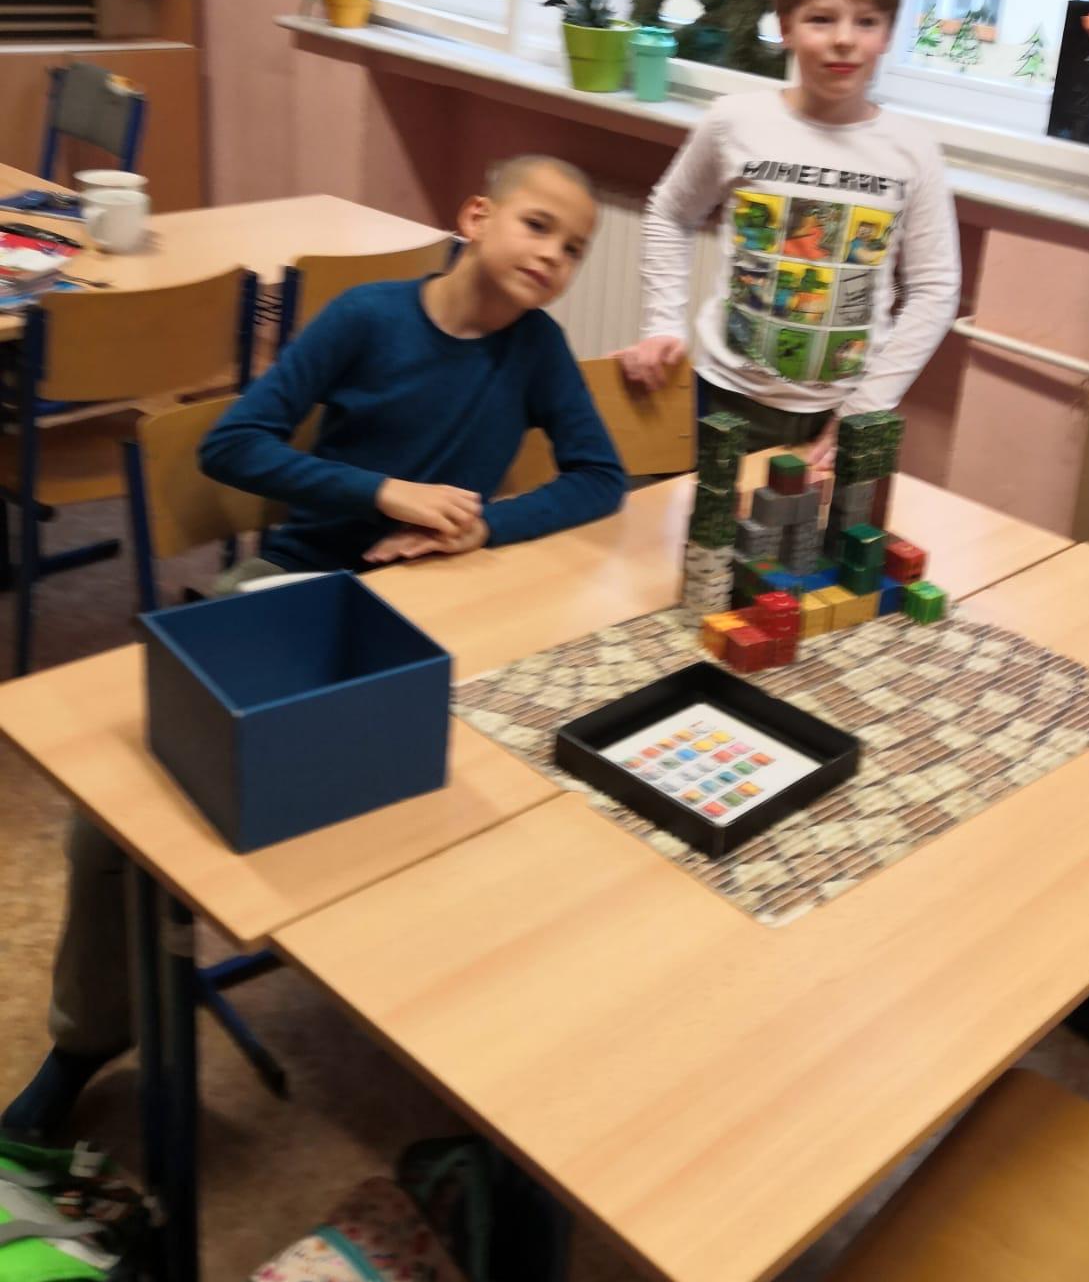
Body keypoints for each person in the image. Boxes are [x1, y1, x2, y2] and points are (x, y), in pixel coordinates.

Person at [2, 155, 625, 1138]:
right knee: (112, 818)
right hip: (297, 584)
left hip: (434, 602)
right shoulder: (368, 317)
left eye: (575, 248)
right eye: (538, 224)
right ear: (476, 216)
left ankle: (461, 1022)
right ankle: (84, 1043)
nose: (553, 255)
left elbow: (599, 477)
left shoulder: (538, 348)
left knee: (514, 777)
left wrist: (483, 528)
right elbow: (233, 443)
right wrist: (382, 492)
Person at [618, 0, 961, 466]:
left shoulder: (913, 151)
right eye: (821, 19)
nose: (844, 39)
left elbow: (936, 288)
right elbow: (670, 212)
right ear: (785, 27)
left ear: (888, 34)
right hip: (722, 400)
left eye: (866, 21)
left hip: (839, 417)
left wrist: (865, 408)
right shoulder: (735, 121)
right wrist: (662, 323)